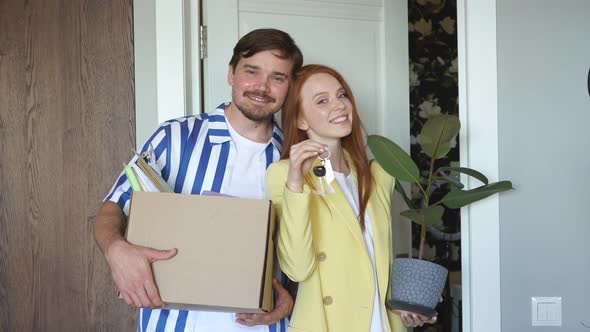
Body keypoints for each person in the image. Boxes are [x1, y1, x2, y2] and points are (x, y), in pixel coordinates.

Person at [93, 28, 303, 332]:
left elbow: (307, 254)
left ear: (290, 87)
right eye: (251, 71)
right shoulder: (175, 137)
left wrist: (292, 299)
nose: (262, 87)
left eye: (278, 77)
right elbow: (113, 206)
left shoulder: (295, 161)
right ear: (231, 74)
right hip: (172, 322)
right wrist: (115, 250)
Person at [265, 64, 437, 331]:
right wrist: (296, 184)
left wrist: (410, 303)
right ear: (300, 120)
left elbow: (377, 260)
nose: (339, 105)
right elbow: (297, 269)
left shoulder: (378, 174)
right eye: (322, 100)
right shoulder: (284, 175)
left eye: (342, 95)